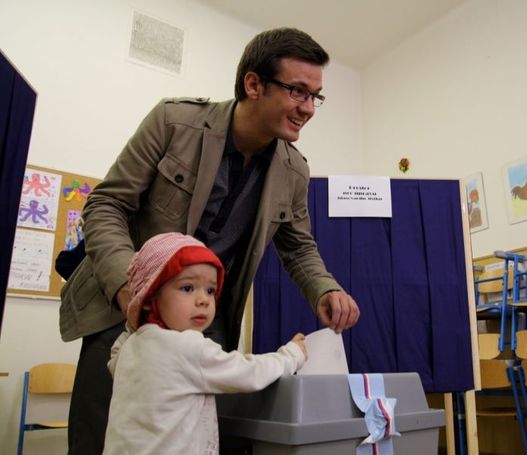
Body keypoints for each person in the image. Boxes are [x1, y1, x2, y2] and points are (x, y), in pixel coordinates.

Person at [59, 27, 360, 454]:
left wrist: (325, 288)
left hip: (206, 319)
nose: (308, 108)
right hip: (125, 307)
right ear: (253, 84)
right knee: (100, 435)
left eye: (316, 96)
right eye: (297, 91)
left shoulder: (294, 170)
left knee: (195, 439)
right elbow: (107, 205)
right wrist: (132, 290)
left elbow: (298, 246)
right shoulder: (173, 122)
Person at [103, 232, 306, 454]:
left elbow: (115, 356)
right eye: (187, 288)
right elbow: (249, 373)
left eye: (210, 290)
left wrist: (135, 319)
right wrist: (292, 355)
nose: (203, 300)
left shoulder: (129, 346)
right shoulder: (190, 348)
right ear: (150, 296)